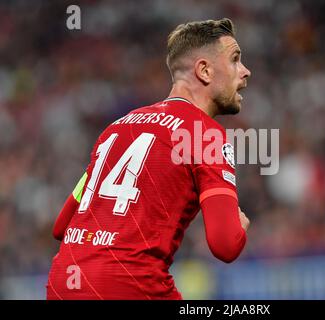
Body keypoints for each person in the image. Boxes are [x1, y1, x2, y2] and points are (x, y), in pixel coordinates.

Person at [46, 18, 251, 300]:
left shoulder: (117, 127)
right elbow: (226, 245)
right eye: (235, 60)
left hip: (64, 283)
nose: (245, 72)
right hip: (129, 283)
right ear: (204, 70)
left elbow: (62, 225)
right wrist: (239, 228)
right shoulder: (205, 134)